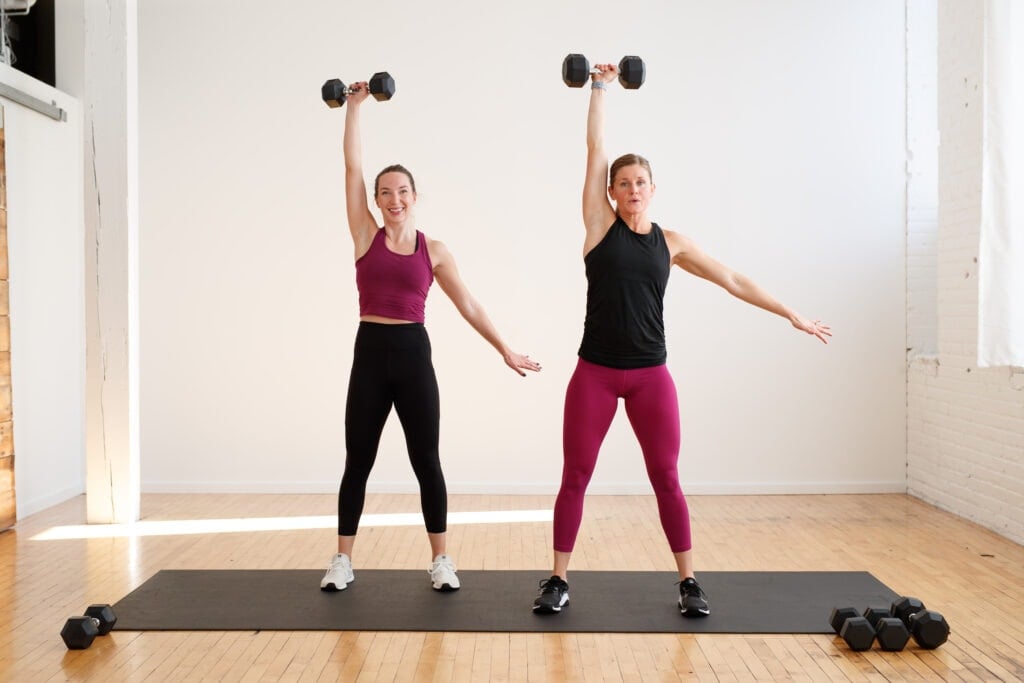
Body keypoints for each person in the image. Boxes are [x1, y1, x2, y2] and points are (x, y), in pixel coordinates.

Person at [532, 63, 831, 617]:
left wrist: (791, 313)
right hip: (594, 373)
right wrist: (599, 89)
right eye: (622, 183)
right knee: (576, 474)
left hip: (650, 375)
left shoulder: (671, 243)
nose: (631, 189)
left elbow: (733, 279)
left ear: (652, 188)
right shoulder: (598, 228)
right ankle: (556, 579)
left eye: (640, 182)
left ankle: (689, 582)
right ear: (610, 193)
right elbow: (595, 145)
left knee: (666, 476)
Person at [321, 80, 541, 593]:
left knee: (427, 461)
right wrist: (354, 108)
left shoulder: (434, 250)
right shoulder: (364, 235)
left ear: (415, 197)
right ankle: (342, 559)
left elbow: (468, 303)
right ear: (375, 201)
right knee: (359, 460)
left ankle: (441, 561)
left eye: (402, 191)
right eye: (385, 192)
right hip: (370, 353)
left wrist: (503, 348)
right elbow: (352, 167)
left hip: (414, 356)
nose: (394, 199)